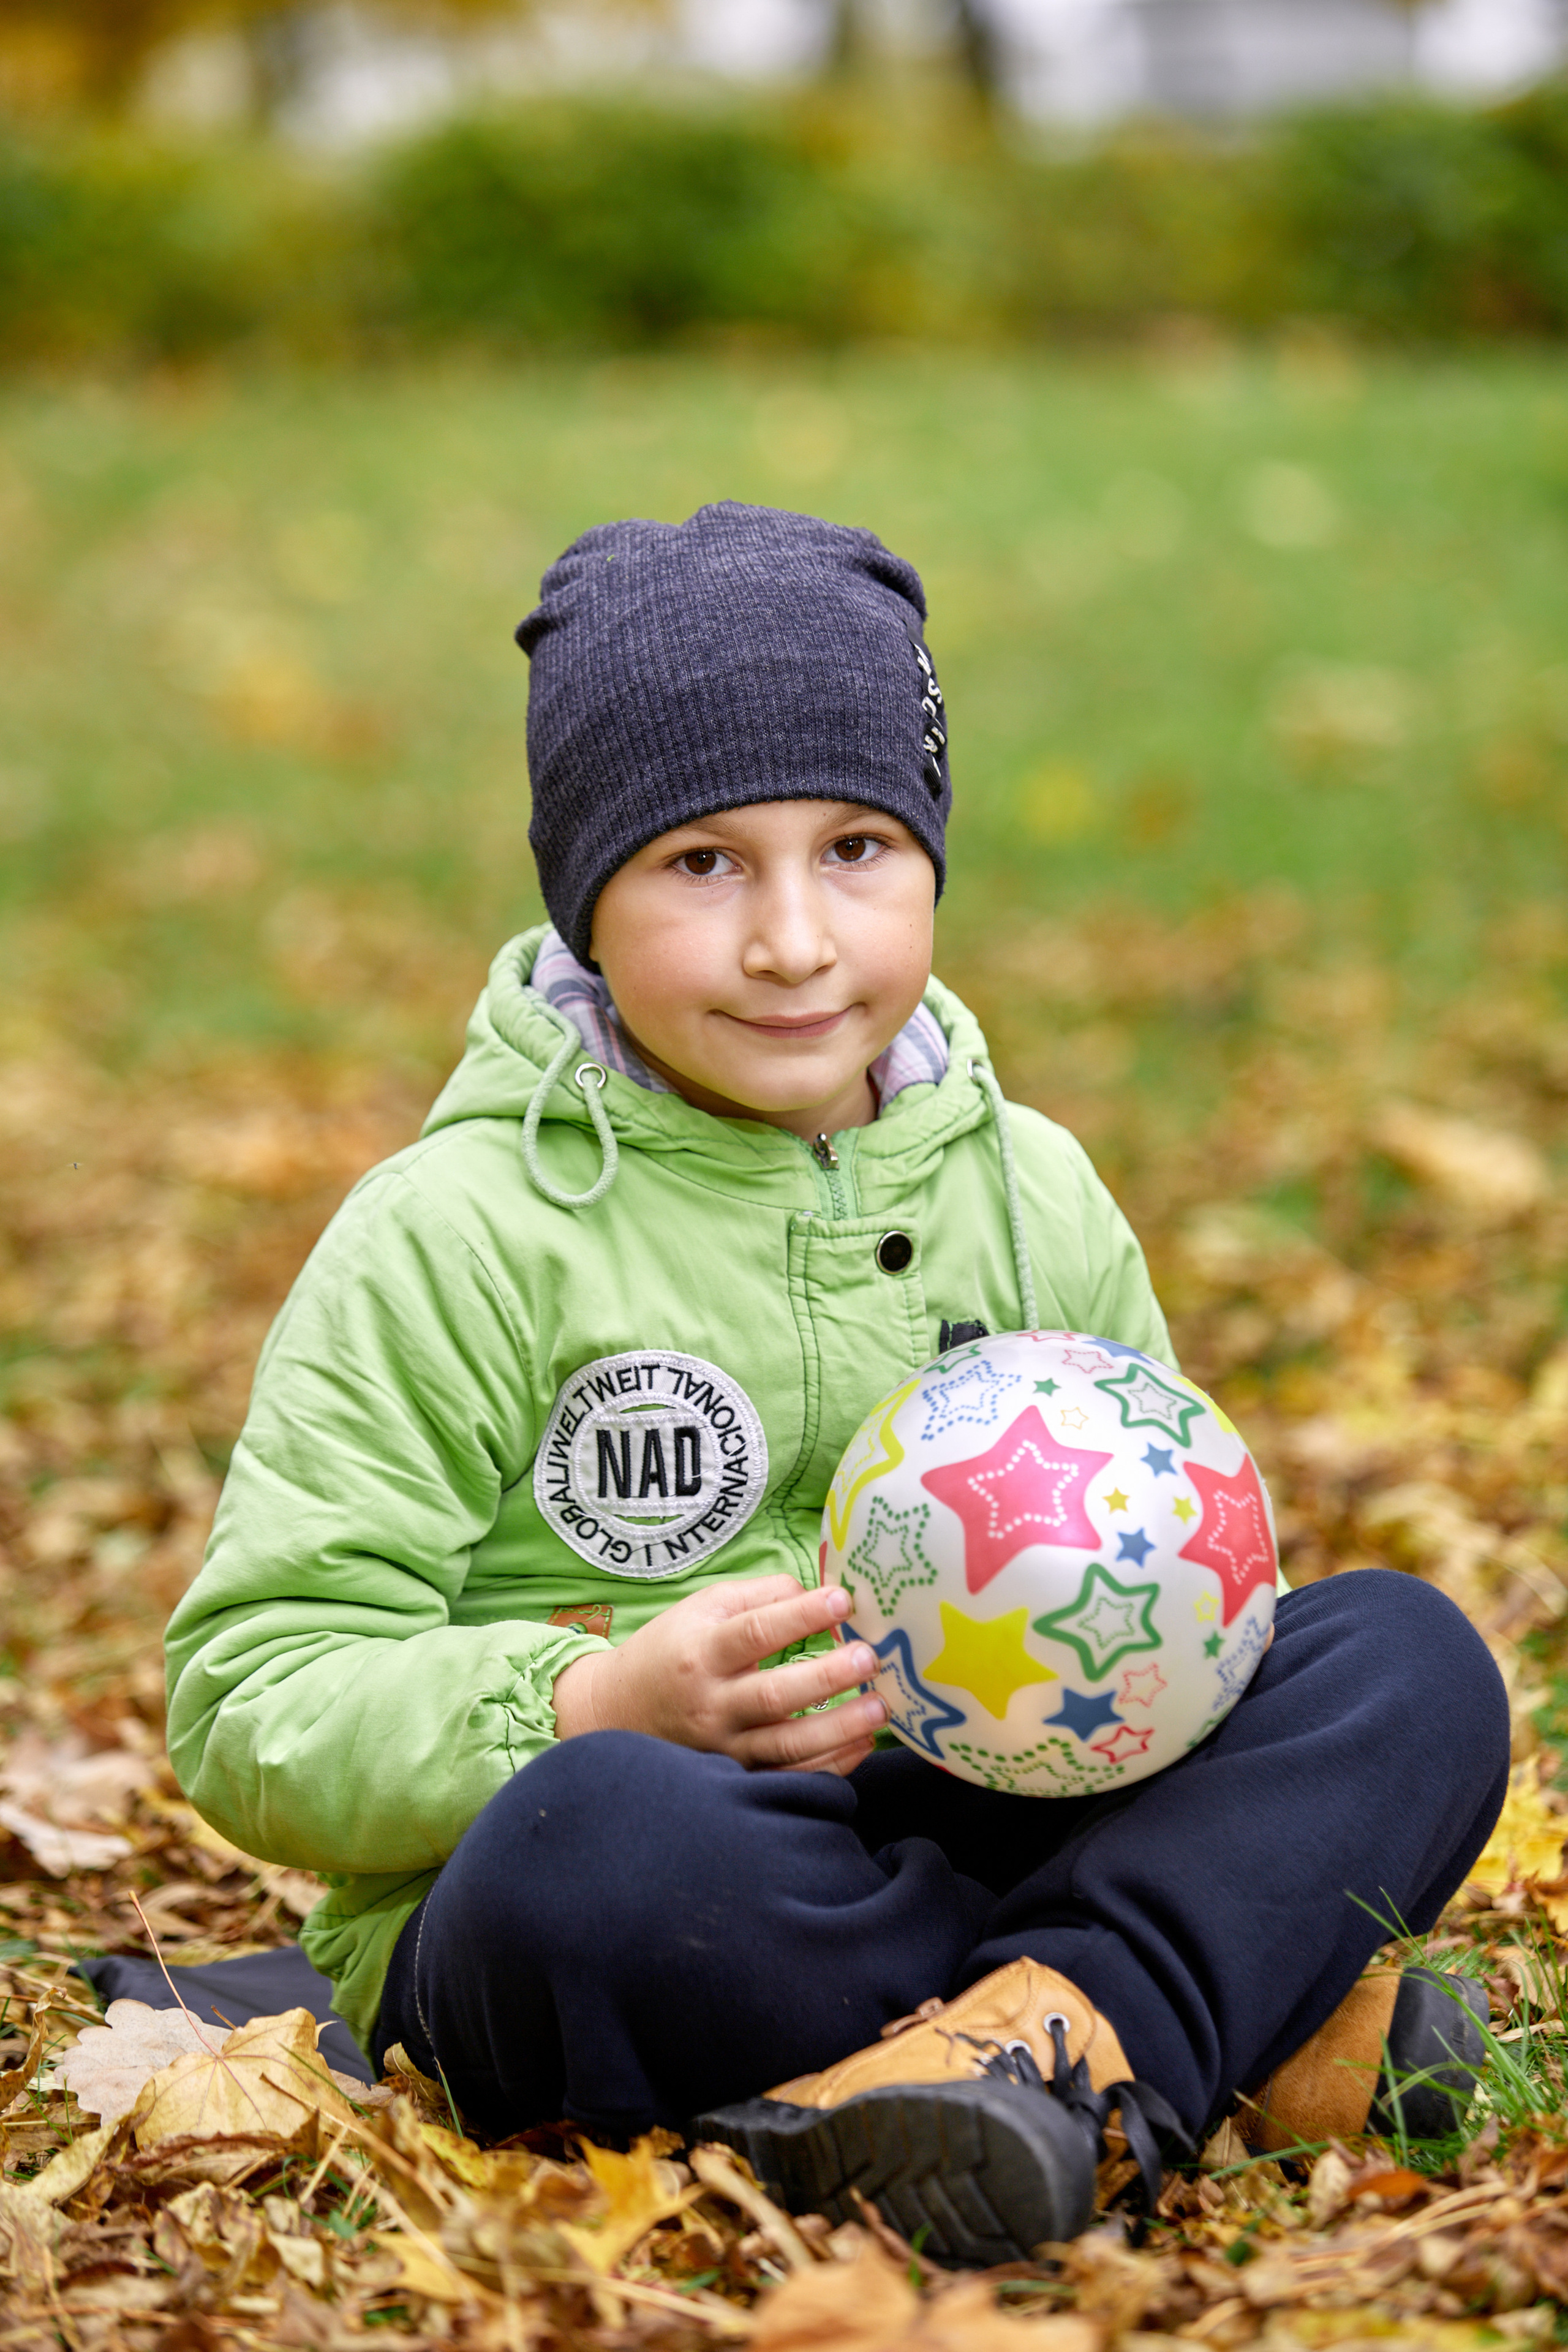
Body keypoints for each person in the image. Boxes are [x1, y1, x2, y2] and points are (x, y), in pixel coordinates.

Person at [165, 503, 1509, 2265]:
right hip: (673, 1880)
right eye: (703, 863)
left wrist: (1181, 1644)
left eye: (859, 846)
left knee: (1405, 1658)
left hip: (1002, 1821)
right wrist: (589, 1705)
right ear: (584, 889)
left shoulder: (1031, 1194)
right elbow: (250, 1695)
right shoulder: (456, 1235)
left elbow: (1182, 1594)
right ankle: (1198, 2030)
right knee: (599, 1852)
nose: (795, 940)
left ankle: (1023, 2059)